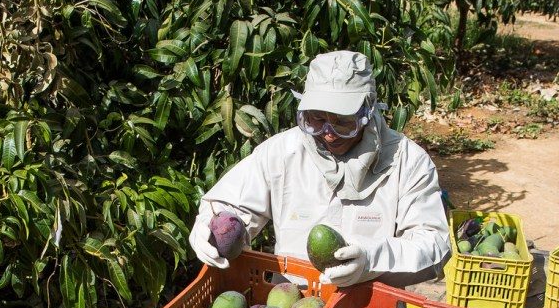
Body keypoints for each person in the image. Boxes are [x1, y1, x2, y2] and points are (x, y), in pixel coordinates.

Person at [189, 50, 450, 288]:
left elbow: (434, 244)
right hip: (291, 305)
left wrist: (372, 259)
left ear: (368, 111)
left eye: (343, 122)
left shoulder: (407, 160)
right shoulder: (282, 152)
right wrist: (211, 224)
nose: (329, 135)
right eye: (317, 119)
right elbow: (233, 208)